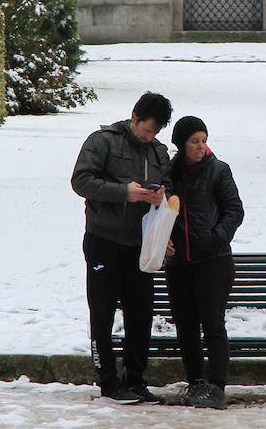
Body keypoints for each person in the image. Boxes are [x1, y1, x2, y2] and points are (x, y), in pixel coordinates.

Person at [70, 91, 173, 404]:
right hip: (103, 239)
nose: (149, 136)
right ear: (134, 117)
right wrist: (122, 193)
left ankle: (136, 380)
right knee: (102, 312)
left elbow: (168, 195)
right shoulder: (103, 141)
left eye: (155, 132)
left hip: (140, 245)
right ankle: (108, 382)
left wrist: (159, 201)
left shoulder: (158, 152)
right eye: (146, 129)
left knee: (141, 314)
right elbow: (81, 181)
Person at [163, 116, 245, 410]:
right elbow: (161, 211)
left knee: (212, 324)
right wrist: (163, 240)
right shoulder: (169, 172)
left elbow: (234, 211)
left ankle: (216, 386)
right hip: (178, 262)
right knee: (185, 325)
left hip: (213, 260)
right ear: (181, 145)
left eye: (204, 140)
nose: (201, 147)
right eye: (194, 141)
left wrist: (214, 239)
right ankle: (196, 382)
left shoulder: (218, 170)